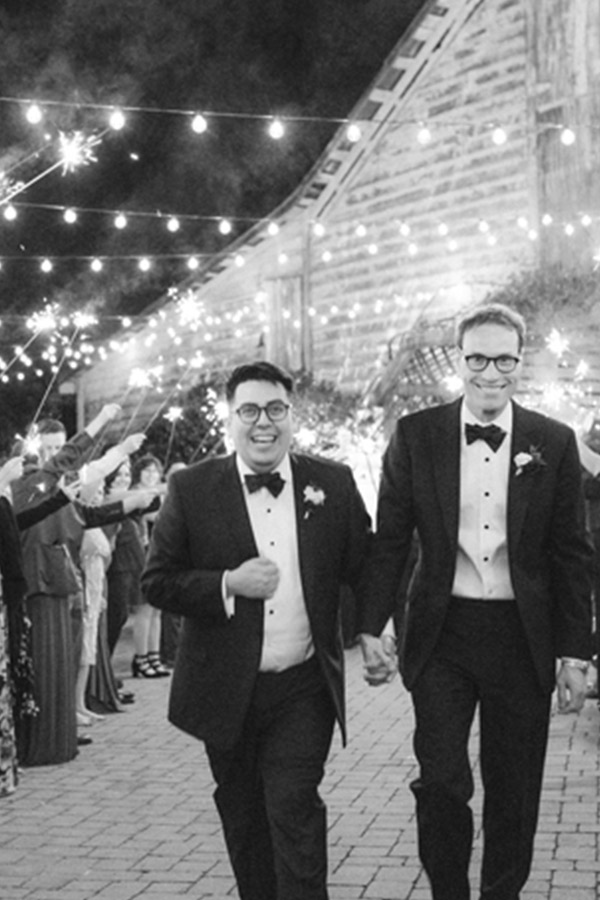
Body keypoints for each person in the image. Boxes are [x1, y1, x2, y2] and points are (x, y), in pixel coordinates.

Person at [358, 303, 593, 900]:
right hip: (442, 634)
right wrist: (369, 624)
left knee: (514, 788)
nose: (492, 372)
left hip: (522, 635)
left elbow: (571, 554)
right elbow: (389, 540)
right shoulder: (417, 435)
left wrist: (575, 652)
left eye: (505, 359)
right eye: (479, 359)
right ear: (460, 363)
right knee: (440, 779)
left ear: (521, 361)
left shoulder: (554, 441)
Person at [142, 360, 371, 900]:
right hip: (225, 690)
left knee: (293, 805)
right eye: (249, 410)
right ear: (230, 417)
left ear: (292, 416)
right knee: (245, 821)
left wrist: (376, 632)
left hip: (303, 685)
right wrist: (227, 583)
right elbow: (157, 582)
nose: (262, 422)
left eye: (275, 409)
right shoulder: (193, 488)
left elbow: (365, 565)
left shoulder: (331, 483)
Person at [130, 454, 169, 677]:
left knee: (157, 609)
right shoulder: (136, 494)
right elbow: (156, 516)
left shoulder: (158, 496)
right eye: (147, 470)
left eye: (155, 471)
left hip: (158, 555)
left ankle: (154, 656)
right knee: (144, 609)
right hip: (141, 554)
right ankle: (140, 658)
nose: (152, 475)